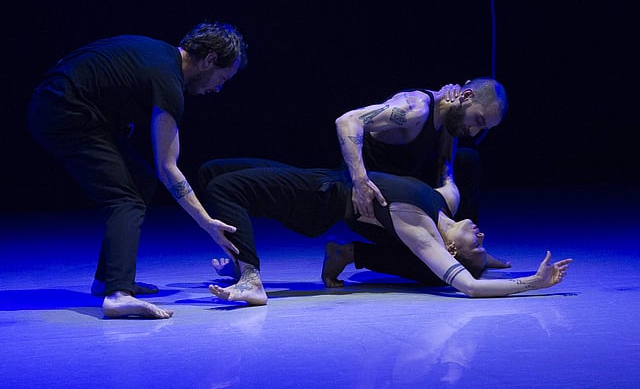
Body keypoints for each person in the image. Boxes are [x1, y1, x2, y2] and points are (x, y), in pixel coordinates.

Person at [28, 20, 248, 319]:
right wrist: (207, 223)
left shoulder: (158, 55)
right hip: (62, 112)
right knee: (125, 199)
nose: (218, 88)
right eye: (222, 77)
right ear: (209, 60)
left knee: (140, 179)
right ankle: (117, 295)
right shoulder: (168, 79)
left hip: (71, 108)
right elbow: (167, 168)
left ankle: (108, 279)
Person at [198, 158, 571, 306]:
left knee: (225, 189)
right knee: (215, 170)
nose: (483, 237)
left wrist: (532, 282)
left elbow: (471, 286)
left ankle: (251, 281)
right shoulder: (445, 203)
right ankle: (238, 262)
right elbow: (450, 173)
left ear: (453, 251)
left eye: (477, 246)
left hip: (320, 199)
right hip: (323, 177)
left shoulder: (421, 231)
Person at [328, 78, 508, 287]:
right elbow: (347, 121)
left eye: (482, 127)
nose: (474, 131)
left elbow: (445, 164)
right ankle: (348, 252)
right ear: (467, 96)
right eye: (478, 120)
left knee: (468, 160)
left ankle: (471, 249)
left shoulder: (452, 118)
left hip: (402, 193)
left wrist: (447, 193)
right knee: (441, 270)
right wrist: (360, 183)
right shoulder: (414, 108)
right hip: (367, 199)